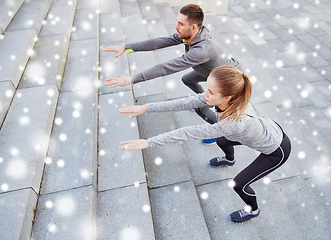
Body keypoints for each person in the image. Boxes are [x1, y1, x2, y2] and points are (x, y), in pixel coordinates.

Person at [117, 66, 291, 223]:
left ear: (226, 97)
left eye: (210, 92)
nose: (205, 95)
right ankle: (230, 160)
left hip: (276, 150)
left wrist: (148, 142)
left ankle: (253, 210)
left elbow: (187, 132)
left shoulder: (232, 123)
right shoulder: (225, 100)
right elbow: (184, 102)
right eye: (207, 89)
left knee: (239, 184)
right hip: (264, 131)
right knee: (222, 140)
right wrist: (146, 107)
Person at [102, 4, 240, 145]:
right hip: (211, 71)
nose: (176, 27)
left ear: (193, 27)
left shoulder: (201, 50)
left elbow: (166, 67)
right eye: (177, 22)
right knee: (187, 79)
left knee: (200, 109)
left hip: (225, 80)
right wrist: (127, 47)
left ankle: (215, 131)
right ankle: (208, 103)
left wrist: (133, 78)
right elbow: (160, 42)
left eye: (180, 23)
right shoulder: (193, 34)